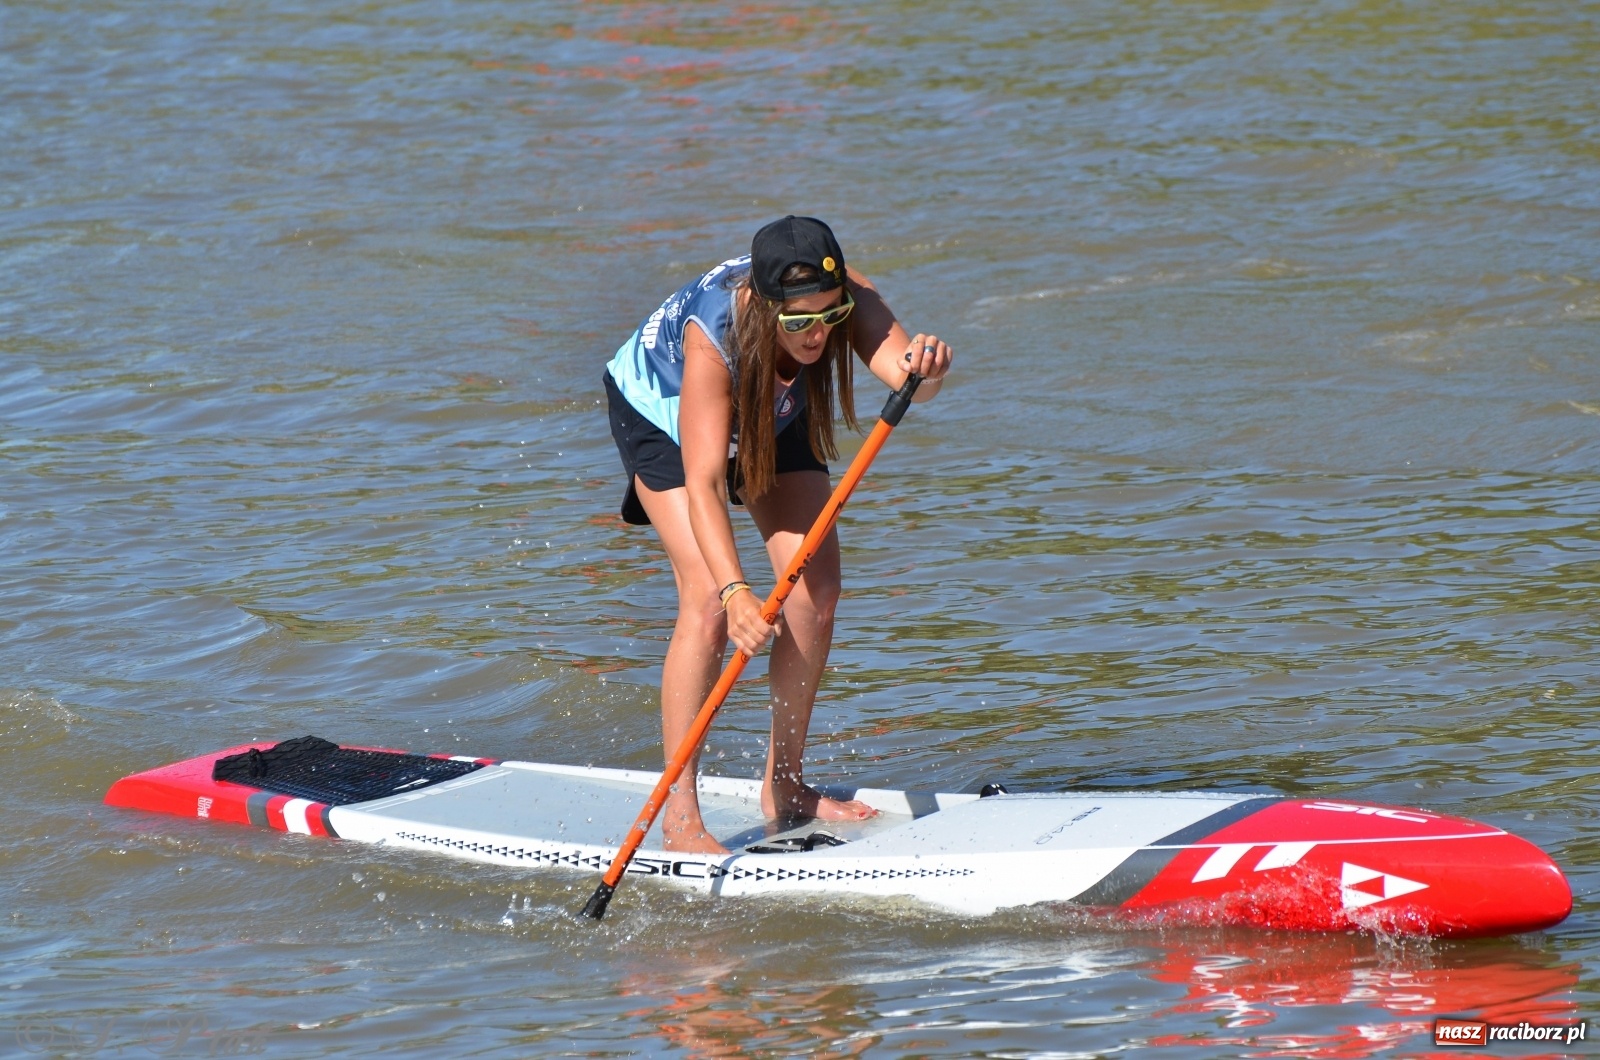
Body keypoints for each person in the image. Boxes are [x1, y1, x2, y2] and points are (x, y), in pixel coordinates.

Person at [603, 216, 952, 853]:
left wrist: (926, 368)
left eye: (830, 314)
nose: (819, 333)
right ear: (766, 309)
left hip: (770, 403)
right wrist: (738, 591)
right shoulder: (714, 338)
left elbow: (911, 383)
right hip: (664, 412)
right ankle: (680, 818)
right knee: (708, 602)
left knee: (814, 589)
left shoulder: (844, 295)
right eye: (799, 322)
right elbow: (706, 484)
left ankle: (786, 786)